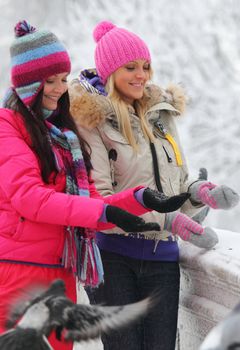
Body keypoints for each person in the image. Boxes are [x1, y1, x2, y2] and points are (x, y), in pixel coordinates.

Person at [0, 20, 191, 350]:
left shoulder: (61, 135)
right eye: (50, 81)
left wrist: (139, 198)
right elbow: (30, 198)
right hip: (19, 272)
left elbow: (87, 197)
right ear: (28, 84)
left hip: (59, 271)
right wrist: (106, 211)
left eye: (63, 78)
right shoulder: (8, 128)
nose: (61, 88)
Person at [70, 20, 240, 350]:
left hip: (162, 256)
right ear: (109, 72)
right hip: (114, 259)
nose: (141, 75)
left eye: (146, 66)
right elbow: (100, 201)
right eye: (130, 67)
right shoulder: (93, 122)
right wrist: (168, 219)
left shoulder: (162, 115)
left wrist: (199, 192)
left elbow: (178, 178)